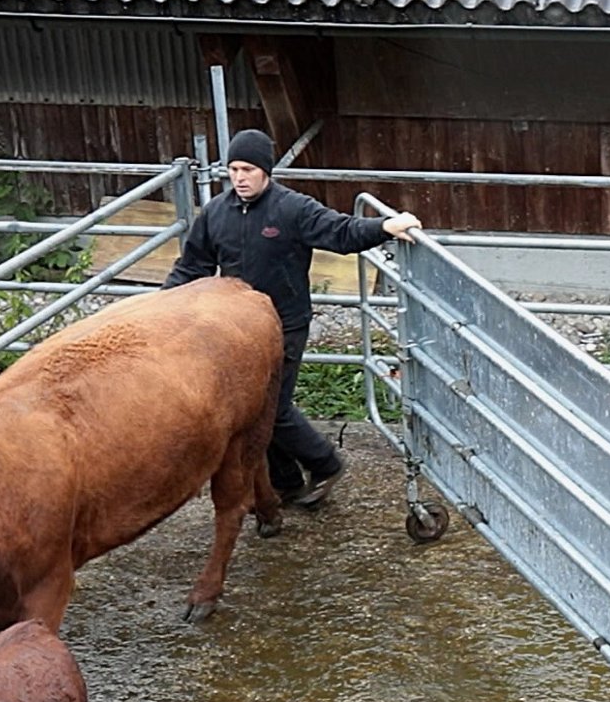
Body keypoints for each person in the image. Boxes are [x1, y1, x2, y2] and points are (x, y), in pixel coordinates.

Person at [164, 129, 422, 508]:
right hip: (237, 329)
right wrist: (159, 306)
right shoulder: (217, 213)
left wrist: (384, 227)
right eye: (233, 169)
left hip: (285, 321)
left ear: (266, 171)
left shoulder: (292, 209)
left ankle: (325, 463)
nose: (239, 177)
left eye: (248, 169)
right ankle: (285, 483)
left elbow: (340, 231)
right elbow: (193, 265)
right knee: (254, 413)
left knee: (272, 409)